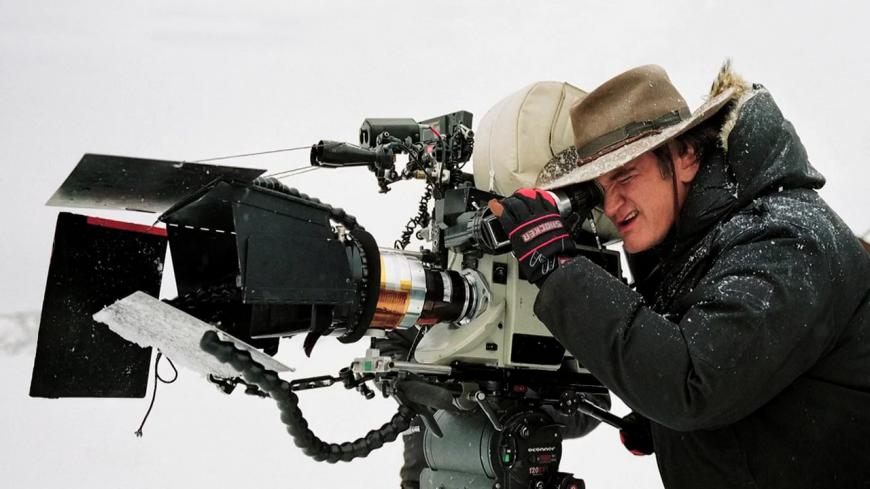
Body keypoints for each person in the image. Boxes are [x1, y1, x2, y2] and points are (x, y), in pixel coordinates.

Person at [494, 63, 870, 488]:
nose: (612, 206)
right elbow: (739, 378)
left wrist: (560, 269)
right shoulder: (707, 246)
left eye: (624, 175)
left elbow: (692, 384)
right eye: (600, 188)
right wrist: (668, 430)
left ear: (686, 155)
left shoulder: (786, 239)